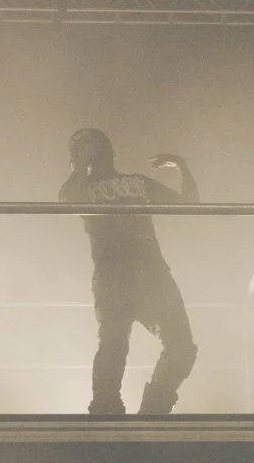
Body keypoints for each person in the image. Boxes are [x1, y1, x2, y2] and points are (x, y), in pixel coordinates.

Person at [58, 128, 199, 415]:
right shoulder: (82, 188)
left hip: (152, 272)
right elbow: (65, 201)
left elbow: (190, 205)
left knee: (181, 345)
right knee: (113, 344)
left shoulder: (136, 182)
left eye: (99, 146)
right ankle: (106, 409)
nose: (97, 152)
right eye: (87, 149)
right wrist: (80, 167)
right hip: (113, 273)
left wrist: (183, 167)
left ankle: (153, 410)